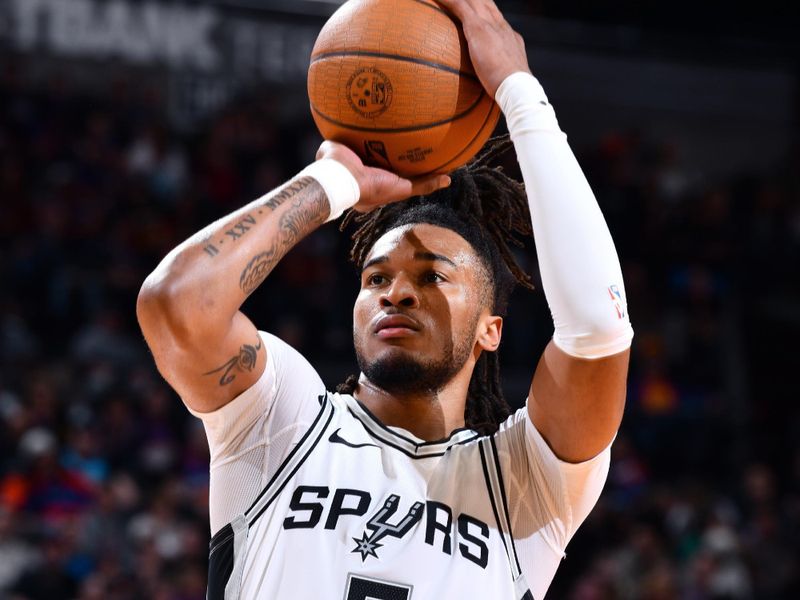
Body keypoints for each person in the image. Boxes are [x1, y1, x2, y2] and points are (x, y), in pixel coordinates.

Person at [136, 0, 633, 597]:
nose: (396, 292)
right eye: (375, 279)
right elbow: (175, 305)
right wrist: (333, 182)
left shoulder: (524, 480)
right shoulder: (286, 424)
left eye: (432, 277)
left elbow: (599, 325)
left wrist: (520, 94)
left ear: (489, 329)